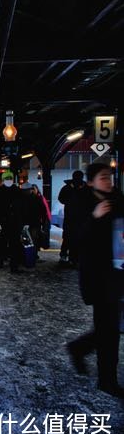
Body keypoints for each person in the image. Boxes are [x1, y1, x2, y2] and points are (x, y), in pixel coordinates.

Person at [66, 163, 124, 398]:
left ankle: (80, 348)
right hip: (98, 277)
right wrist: (94, 217)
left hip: (119, 271)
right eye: (102, 178)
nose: (108, 181)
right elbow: (75, 236)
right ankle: (107, 380)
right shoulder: (81, 202)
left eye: (109, 177)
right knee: (109, 328)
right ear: (90, 182)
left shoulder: (119, 200)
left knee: (110, 327)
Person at [0, 171, 29, 273]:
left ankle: (10, 264)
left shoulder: (1, 191)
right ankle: (3, 262)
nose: (9, 180)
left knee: (11, 244)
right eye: (7, 179)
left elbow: (23, 208)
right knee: (5, 243)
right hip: (8, 222)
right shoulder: (11, 191)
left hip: (12, 222)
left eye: (10, 178)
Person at [58, 170, 88, 265]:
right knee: (77, 238)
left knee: (67, 237)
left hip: (70, 217)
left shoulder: (67, 188)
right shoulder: (86, 188)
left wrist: (69, 202)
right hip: (81, 218)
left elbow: (61, 199)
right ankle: (75, 258)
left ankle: (65, 256)